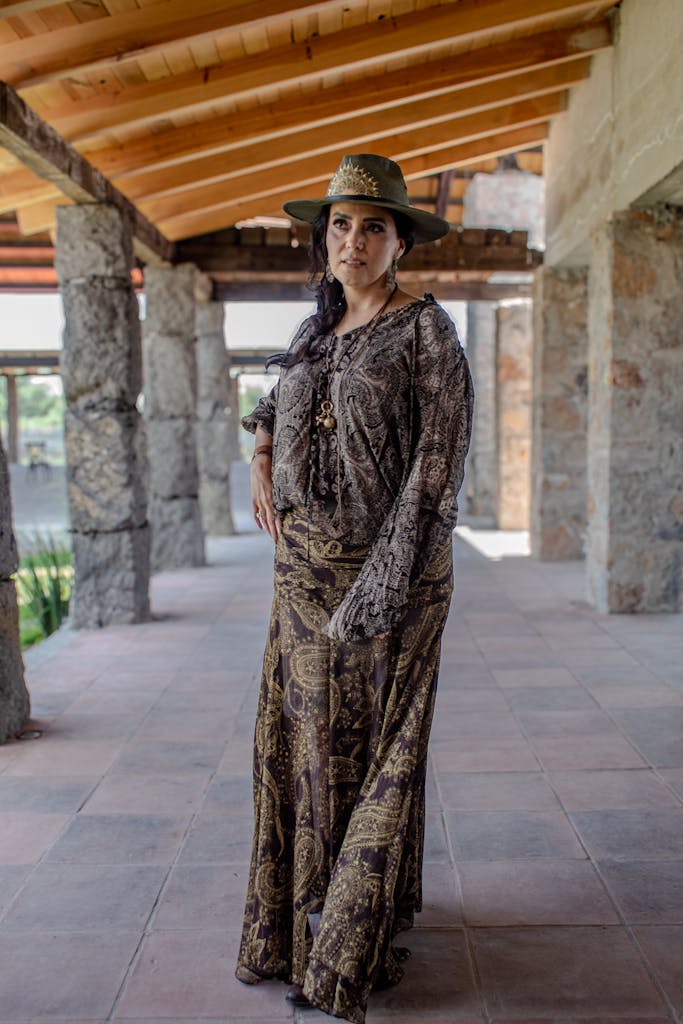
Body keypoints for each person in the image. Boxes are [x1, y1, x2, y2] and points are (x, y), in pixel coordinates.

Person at [236, 154, 474, 1023]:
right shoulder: (318, 325)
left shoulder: (425, 333)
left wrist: (381, 585)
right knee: (301, 752)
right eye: (339, 224)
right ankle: (312, 923)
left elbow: (436, 467)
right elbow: (272, 402)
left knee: (372, 757)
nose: (353, 239)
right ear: (323, 238)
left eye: (372, 225)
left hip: (389, 578)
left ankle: (344, 951)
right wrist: (260, 454)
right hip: (296, 579)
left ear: (399, 241)